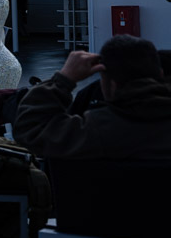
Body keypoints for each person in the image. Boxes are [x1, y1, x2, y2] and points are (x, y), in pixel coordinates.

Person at [13, 36, 171, 160]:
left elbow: (31, 129)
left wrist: (64, 79)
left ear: (110, 84)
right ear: (161, 74)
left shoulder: (93, 131)